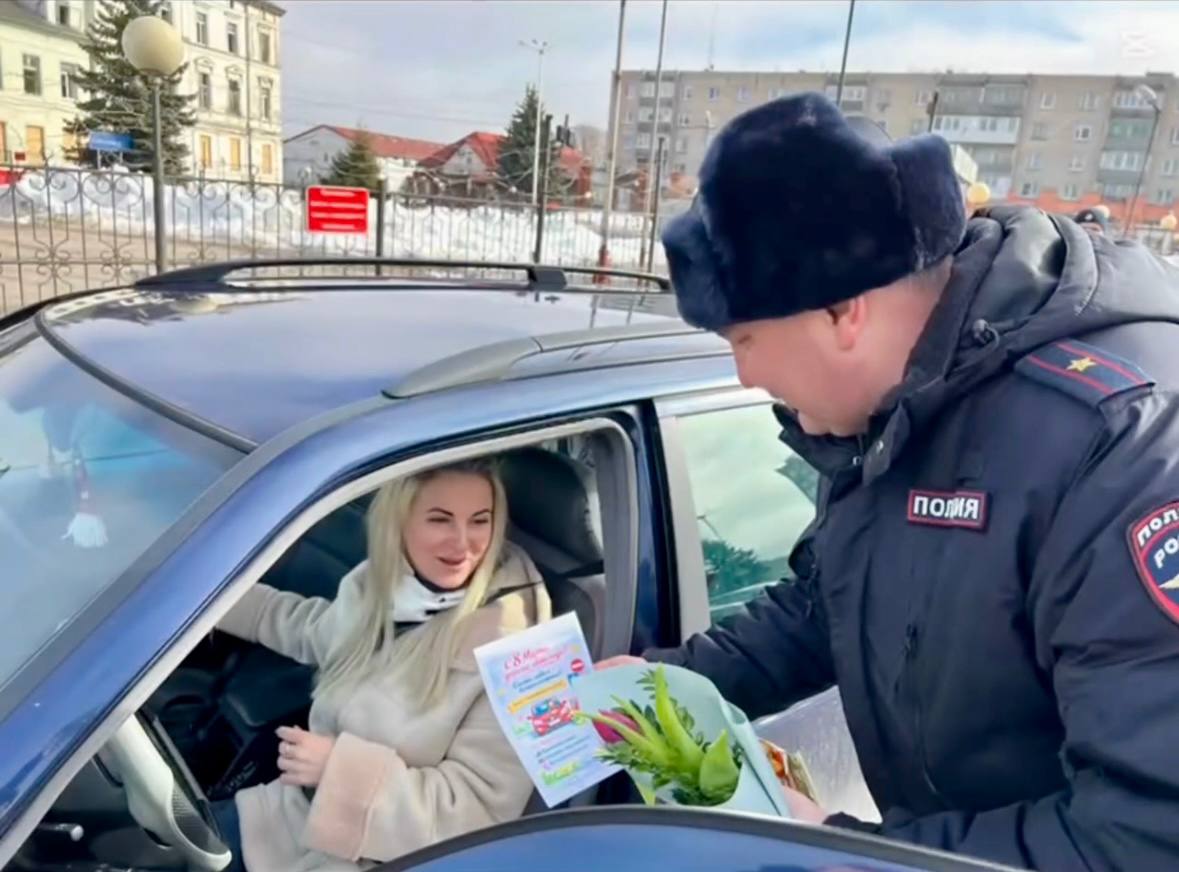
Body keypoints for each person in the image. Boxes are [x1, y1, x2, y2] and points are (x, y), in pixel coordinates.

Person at [605, 92, 1179, 870]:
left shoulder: (1118, 450)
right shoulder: (899, 405)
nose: (742, 375)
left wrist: (842, 851)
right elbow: (834, 600)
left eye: (743, 338)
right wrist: (665, 685)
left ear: (841, 310)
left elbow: (1144, 836)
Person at [215, 459, 551, 872]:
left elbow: (476, 816)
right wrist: (202, 600)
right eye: (440, 519)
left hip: (377, 858)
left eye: (480, 521)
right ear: (399, 522)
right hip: (287, 817)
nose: (463, 543)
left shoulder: (519, 653)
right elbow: (310, 628)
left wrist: (336, 769)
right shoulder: (387, 585)